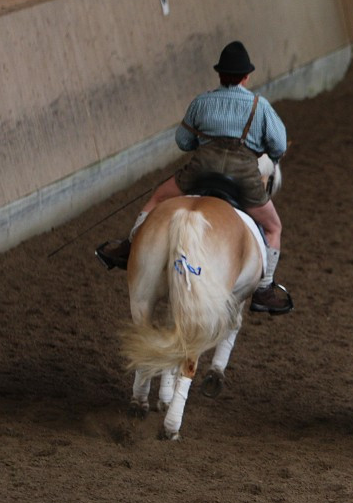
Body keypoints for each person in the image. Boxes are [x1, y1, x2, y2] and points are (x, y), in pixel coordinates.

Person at [96, 41, 293, 315]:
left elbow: (183, 142)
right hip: (242, 178)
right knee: (274, 228)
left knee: (158, 198)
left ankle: (130, 246)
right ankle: (265, 288)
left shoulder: (201, 102)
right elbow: (279, 147)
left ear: (220, 75)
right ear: (246, 76)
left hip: (201, 171)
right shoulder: (260, 107)